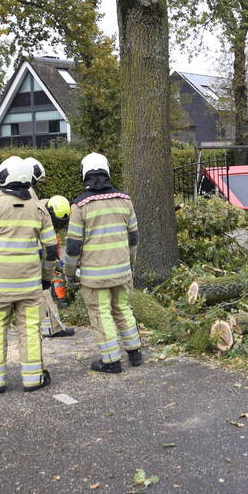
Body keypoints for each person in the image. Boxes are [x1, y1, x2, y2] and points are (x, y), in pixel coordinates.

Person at [0, 156, 58, 393]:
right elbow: (51, 249)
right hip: (29, 287)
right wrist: (46, 278)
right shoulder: (39, 210)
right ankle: (33, 378)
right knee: (30, 329)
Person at [63, 152, 142, 373]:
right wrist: (130, 263)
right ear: (107, 171)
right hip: (122, 270)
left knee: (101, 313)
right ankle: (135, 353)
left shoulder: (80, 206)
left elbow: (73, 246)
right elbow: (133, 237)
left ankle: (111, 361)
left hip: (95, 275)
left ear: (84, 174)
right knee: (123, 308)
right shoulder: (125, 201)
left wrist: (69, 272)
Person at [39, 194, 75, 338]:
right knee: (43, 291)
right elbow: (45, 248)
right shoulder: (37, 216)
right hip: (33, 256)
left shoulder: (48, 210)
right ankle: (52, 328)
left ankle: (50, 327)